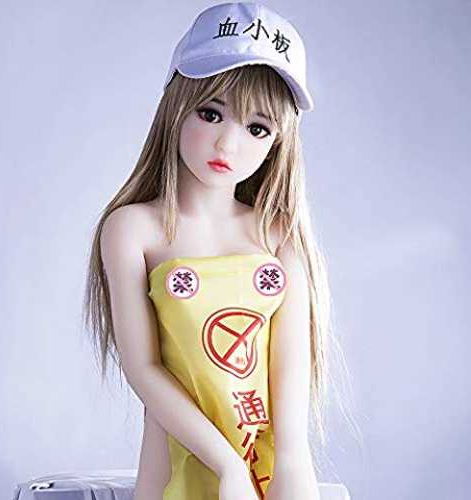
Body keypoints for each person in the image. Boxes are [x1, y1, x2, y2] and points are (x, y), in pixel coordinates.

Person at [83, 2, 351, 499]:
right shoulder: (133, 230)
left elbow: (289, 368)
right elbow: (144, 369)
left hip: (271, 472)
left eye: (257, 128)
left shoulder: (278, 236)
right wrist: (227, 466)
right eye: (211, 113)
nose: (228, 144)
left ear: (279, 142)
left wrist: (292, 462)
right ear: (176, 107)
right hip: (176, 469)